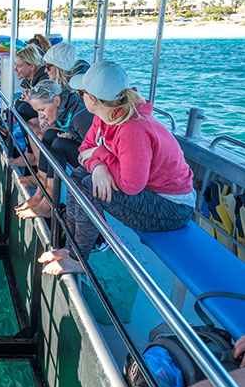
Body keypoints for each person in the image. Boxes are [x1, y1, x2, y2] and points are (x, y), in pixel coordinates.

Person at [38, 61, 195, 275]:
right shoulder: (105, 118)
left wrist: (99, 154)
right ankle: (71, 249)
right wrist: (99, 164)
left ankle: (79, 259)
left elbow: (131, 186)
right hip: (146, 191)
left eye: (82, 92)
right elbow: (85, 149)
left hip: (172, 208)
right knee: (78, 176)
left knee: (87, 187)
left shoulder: (132, 128)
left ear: (91, 99)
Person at [15, 80, 93, 219]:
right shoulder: (66, 106)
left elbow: (95, 147)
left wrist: (71, 137)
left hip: (94, 164)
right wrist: (70, 134)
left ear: (56, 100)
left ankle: (48, 205)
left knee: (59, 145)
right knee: (50, 134)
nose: (41, 116)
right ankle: (40, 193)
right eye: (37, 111)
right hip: (83, 149)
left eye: (42, 110)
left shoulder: (80, 115)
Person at [8, 44, 49, 168]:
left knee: (22, 109)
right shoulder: (32, 80)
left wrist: (30, 100)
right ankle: (28, 152)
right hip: (41, 117)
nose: (15, 69)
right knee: (18, 106)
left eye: (19, 66)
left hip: (50, 120)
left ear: (32, 66)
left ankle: (31, 155)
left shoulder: (43, 80)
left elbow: (47, 106)